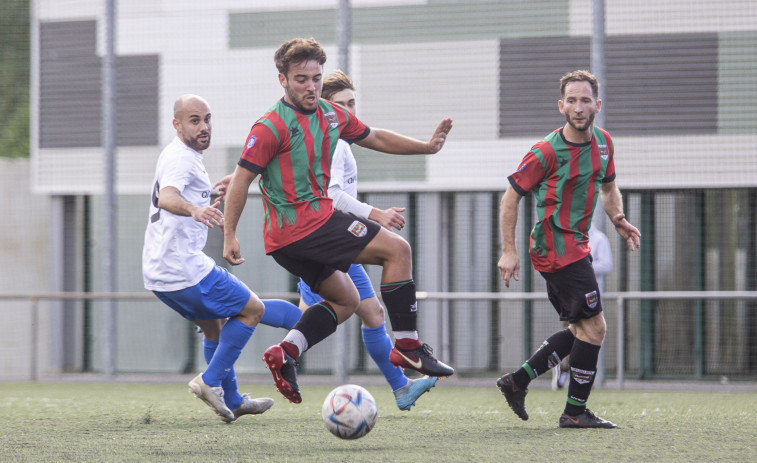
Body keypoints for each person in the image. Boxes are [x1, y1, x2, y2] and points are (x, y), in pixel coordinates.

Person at [221, 37, 454, 404]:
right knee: (398, 251)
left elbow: (374, 136)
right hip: (308, 226)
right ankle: (408, 346)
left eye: (316, 77)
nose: (311, 86)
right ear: (282, 79)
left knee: (346, 301)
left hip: (289, 243)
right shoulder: (270, 126)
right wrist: (229, 234)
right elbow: (242, 179)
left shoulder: (330, 115)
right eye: (301, 79)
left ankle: (286, 352)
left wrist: (425, 148)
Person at [495, 70, 641, 428]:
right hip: (556, 249)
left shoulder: (603, 143)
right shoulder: (546, 150)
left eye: (585, 100)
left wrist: (618, 217)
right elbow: (510, 197)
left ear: (597, 105)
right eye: (572, 100)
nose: (579, 107)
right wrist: (508, 250)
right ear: (561, 106)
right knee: (596, 329)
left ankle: (517, 381)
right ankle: (574, 413)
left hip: (576, 247)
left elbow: (608, 188)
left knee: (580, 330)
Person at [295, 70, 438, 410]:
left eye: (353, 103)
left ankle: (402, 388)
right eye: (341, 104)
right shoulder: (334, 145)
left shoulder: (339, 142)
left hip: (330, 238)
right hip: (328, 240)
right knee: (358, 314)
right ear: (326, 108)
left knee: (349, 314)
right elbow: (333, 196)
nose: (350, 110)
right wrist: (376, 214)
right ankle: (238, 310)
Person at [142, 94, 281, 422]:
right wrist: (194, 208)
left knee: (214, 327)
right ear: (177, 124)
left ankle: (232, 400)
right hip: (183, 267)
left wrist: (202, 199)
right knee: (253, 310)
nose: (204, 127)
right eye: (194, 121)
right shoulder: (182, 159)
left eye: (207, 119)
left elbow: (177, 193)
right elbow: (167, 197)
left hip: (159, 271)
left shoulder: (181, 154)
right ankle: (209, 381)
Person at [551, 222, 612, 390]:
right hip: (570, 293)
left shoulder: (599, 238)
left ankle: (580, 375)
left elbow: (607, 265)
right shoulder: (568, 236)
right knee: (573, 332)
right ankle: (562, 369)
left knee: (591, 334)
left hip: (591, 297)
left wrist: (582, 268)